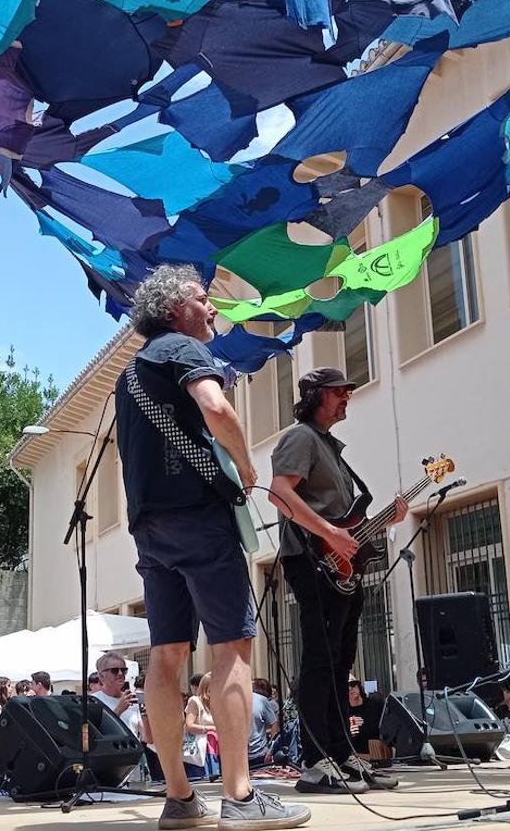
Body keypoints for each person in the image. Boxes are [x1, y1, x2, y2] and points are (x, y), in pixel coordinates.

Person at [115, 264, 309, 831]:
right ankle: (242, 797)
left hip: (150, 527)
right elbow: (217, 408)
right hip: (201, 517)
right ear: (176, 308)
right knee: (232, 649)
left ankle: (179, 799)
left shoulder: (130, 374)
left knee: (167, 655)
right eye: (204, 299)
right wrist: (248, 466)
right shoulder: (180, 348)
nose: (214, 309)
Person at [269, 366, 405, 794]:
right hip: (311, 562)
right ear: (314, 397)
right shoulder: (300, 437)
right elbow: (279, 493)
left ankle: (340, 752)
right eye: (337, 392)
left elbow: (343, 522)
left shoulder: (329, 446)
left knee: (340, 663)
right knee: (319, 661)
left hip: (338, 569)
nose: (346, 397)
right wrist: (330, 535)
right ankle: (314, 761)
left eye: (347, 392)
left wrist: (384, 520)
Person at [345, 677, 383, 756]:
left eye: (352, 685)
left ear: (358, 686)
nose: (350, 689)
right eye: (346, 686)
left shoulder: (375, 706)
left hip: (376, 753)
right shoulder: (342, 712)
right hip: (355, 756)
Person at [247, 682, 278, 769]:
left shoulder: (261, 701)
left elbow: (274, 723)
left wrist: (270, 749)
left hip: (259, 755)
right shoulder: (232, 700)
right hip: (239, 756)